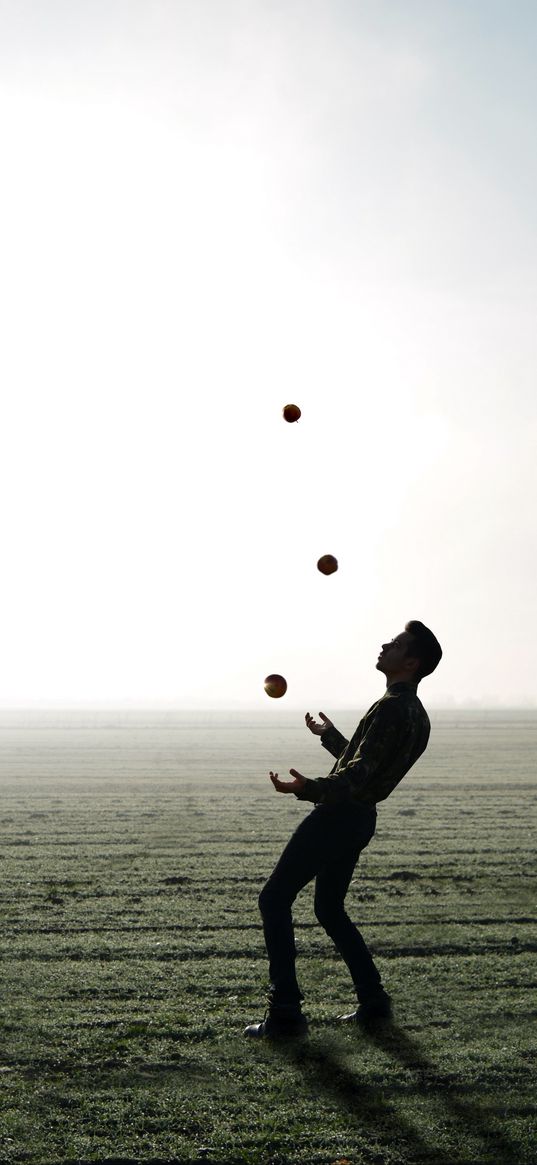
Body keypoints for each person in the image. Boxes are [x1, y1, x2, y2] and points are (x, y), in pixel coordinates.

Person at [244, 620, 442, 1039]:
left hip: (339, 815)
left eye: (397, 643)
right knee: (329, 910)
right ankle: (373, 1002)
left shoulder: (391, 707)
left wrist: (307, 789)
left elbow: (358, 774)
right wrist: (330, 736)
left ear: (411, 661)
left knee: (274, 899)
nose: (386, 644)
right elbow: (369, 766)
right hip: (360, 819)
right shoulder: (415, 713)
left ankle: (285, 1013)